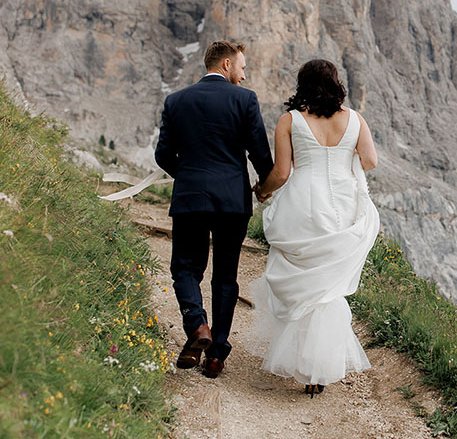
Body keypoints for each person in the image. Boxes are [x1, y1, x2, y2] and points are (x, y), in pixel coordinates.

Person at [247, 58, 380, 397]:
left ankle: (305, 362)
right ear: (336, 83)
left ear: (302, 84)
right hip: (343, 208)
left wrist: (261, 191)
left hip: (302, 206)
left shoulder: (290, 121)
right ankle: (319, 369)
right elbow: (370, 161)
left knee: (304, 283)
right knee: (328, 287)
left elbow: (281, 173)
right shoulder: (355, 120)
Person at [154, 41, 274, 379]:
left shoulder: (175, 101)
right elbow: (259, 155)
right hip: (232, 203)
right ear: (225, 64)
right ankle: (217, 354)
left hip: (190, 199)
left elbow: (163, 155)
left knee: (185, 268)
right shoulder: (245, 100)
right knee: (226, 277)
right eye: (242, 67)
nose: (244, 74)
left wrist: (190, 176)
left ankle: (197, 325)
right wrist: (264, 187)